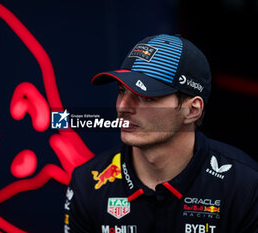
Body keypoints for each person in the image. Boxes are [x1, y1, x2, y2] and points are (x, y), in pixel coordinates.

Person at [63, 34, 258, 233]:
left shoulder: (245, 185)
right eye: (121, 91)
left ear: (192, 110)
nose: (122, 107)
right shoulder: (88, 182)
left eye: (146, 97)